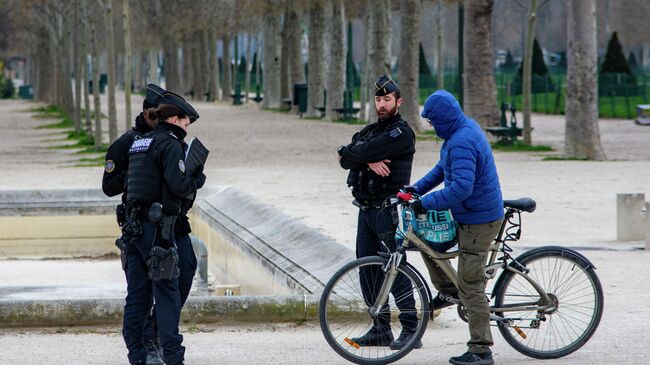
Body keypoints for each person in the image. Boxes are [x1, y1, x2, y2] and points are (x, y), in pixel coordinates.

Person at [410, 90, 504, 365]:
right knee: (430, 245)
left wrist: (424, 204)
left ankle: (481, 349)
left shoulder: (462, 140)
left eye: (432, 121)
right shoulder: (459, 131)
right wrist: (416, 189)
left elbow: (461, 188)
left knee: (471, 283)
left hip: (479, 219)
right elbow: (443, 168)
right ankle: (450, 293)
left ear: (443, 119)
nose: (431, 126)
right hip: (468, 214)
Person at [336, 75, 420, 350]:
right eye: (378, 100)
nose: (382, 104)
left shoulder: (402, 133)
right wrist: (368, 160)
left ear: (398, 102)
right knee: (368, 271)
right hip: (366, 211)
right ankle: (380, 328)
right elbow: (344, 157)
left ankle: (412, 328)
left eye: (387, 100)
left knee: (396, 268)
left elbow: (353, 153)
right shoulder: (370, 131)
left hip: (389, 212)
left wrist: (358, 155)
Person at [122, 93, 205, 365]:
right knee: (167, 294)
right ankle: (172, 358)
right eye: (184, 121)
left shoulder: (138, 143)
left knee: (137, 296)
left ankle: (137, 356)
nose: (186, 127)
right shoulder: (169, 144)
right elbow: (178, 186)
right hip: (158, 231)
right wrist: (195, 178)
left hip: (133, 229)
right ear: (173, 119)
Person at [103, 84, 167, 364]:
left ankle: (153, 336)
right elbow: (107, 186)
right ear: (144, 112)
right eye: (155, 115)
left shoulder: (167, 140)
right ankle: (138, 352)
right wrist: (133, 173)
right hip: (135, 227)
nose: (159, 120)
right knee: (139, 295)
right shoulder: (125, 143)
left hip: (163, 226)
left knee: (175, 285)